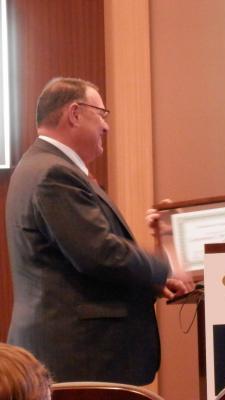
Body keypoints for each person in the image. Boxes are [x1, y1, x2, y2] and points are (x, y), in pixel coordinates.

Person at [6, 77, 193, 385]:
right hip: (80, 356)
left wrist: (153, 281)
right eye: (102, 115)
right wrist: (166, 268)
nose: (106, 127)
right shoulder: (54, 173)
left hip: (76, 354)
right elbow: (99, 253)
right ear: (75, 113)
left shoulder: (41, 166)